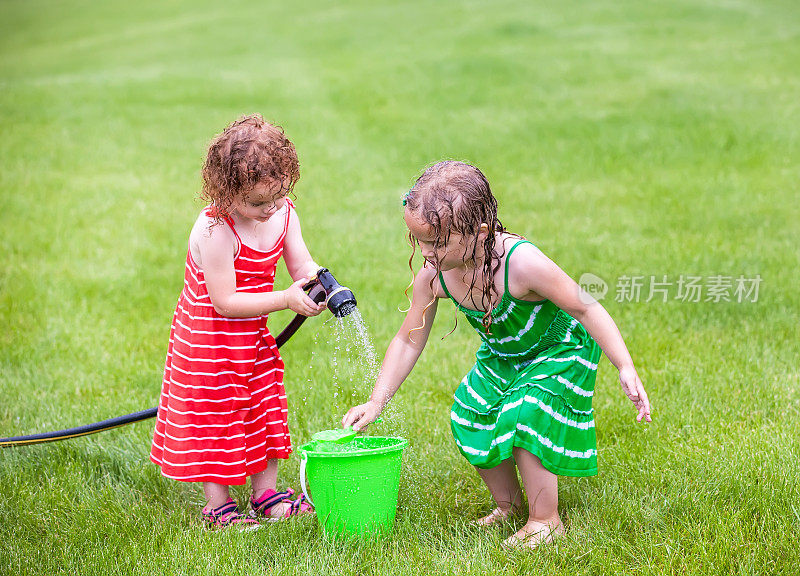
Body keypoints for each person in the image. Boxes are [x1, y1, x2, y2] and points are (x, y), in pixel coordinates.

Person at [343, 161, 651, 548]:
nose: (427, 252)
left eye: (438, 242)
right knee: (469, 411)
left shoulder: (521, 264)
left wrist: (624, 364)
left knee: (525, 411)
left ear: (480, 233)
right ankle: (508, 505)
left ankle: (546, 519)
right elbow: (408, 338)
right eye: (418, 240)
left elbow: (585, 306)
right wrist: (376, 401)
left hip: (558, 347)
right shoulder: (434, 275)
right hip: (504, 353)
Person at [150, 114, 324, 529]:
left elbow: (300, 263)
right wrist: (285, 298)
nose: (269, 210)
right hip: (209, 341)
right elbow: (225, 301)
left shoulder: (282, 214)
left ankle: (266, 494)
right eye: (257, 203)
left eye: (277, 198)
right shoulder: (215, 230)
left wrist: (320, 282)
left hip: (252, 336)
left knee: (265, 405)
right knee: (218, 415)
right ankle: (219, 505)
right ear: (225, 193)